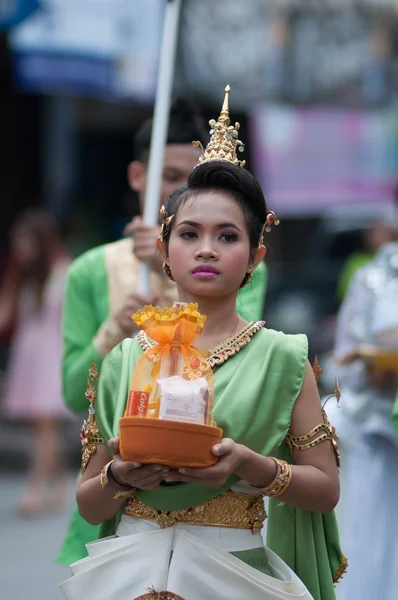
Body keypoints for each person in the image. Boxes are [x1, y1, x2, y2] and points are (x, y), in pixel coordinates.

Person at [59, 89, 343, 600]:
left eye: (228, 237)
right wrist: (121, 477)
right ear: (164, 251)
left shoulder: (282, 357)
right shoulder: (126, 356)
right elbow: (89, 504)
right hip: (131, 571)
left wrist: (248, 465)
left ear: (256, 256)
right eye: (189, 233)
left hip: (233, 569)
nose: (207, 248)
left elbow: (324, 491)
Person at [58, 99, 268, 564]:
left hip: (228, 542)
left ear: (254, 255)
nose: (192, 190)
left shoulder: (240, 284)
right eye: (173, 178)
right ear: (139, 176)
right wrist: (115, 328)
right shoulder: (92, 272)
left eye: (229, 235)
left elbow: (242, 343)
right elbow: (76, 396)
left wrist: (166, 270)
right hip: (121, 525)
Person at [329, 241, 398, 600]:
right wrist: (374, 365)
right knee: (369, 537)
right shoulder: (374, 275)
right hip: (377, 430)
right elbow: (347, 361)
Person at [0, 209, 74, 516]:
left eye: (25, 241)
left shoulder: (65, 270)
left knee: (45, 424)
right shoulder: (23, 274)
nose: (19, 248)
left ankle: (33, 490)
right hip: (29, 354)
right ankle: (58, 484)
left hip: (52, 355)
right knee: (40, 426)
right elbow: (5, 313)